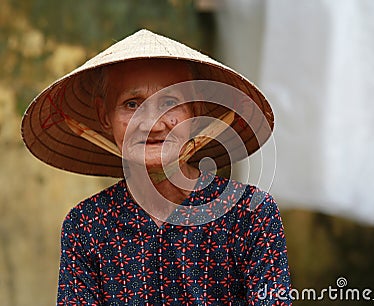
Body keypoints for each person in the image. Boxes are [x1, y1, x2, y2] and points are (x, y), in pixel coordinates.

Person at [21, 29, 291, 305]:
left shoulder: (250, 214)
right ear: (105, 116)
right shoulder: (87, 225)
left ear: (194, 111)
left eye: (170, 103)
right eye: (132, 104)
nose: (153, 123)